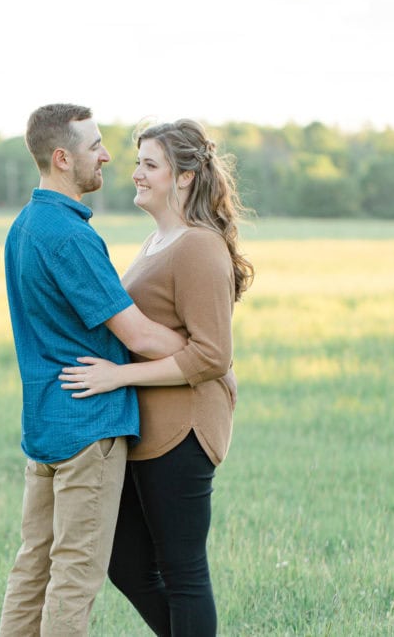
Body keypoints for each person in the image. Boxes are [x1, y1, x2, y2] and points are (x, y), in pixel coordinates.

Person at [0, 104, 188, 637]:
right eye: (95, 146)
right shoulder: (71, 237)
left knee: (32, 570)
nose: (107, 156)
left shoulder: (24, 226)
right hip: (89, 431)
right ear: (63, 158)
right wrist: (208, 355)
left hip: (45, 427)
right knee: (74, 579)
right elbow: (140, 336)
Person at [58, 119, 253, 636]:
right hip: (147, 427)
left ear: (184, 177)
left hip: (184, 430)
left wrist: (119, 376)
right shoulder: (157, 241)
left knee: (183, 571)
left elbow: (212, 356)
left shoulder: (198, 246)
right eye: (138, 162)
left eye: (150, 164)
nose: (136, 173)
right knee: (125, 560)